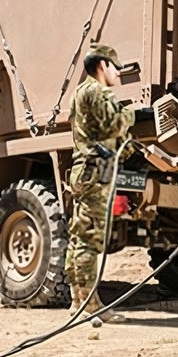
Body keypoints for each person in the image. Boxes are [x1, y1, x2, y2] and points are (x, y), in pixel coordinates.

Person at [64, 42, 135, 327]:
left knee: (79, 237)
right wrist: (136, 117)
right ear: (102, 66)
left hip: (83, 169)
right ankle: (92, 306)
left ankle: (77, 301)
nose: (118, 73)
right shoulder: (99, 91)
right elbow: (117, 128)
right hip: (96, 171)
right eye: (116, 67)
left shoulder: (79, 93)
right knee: (91, 240)